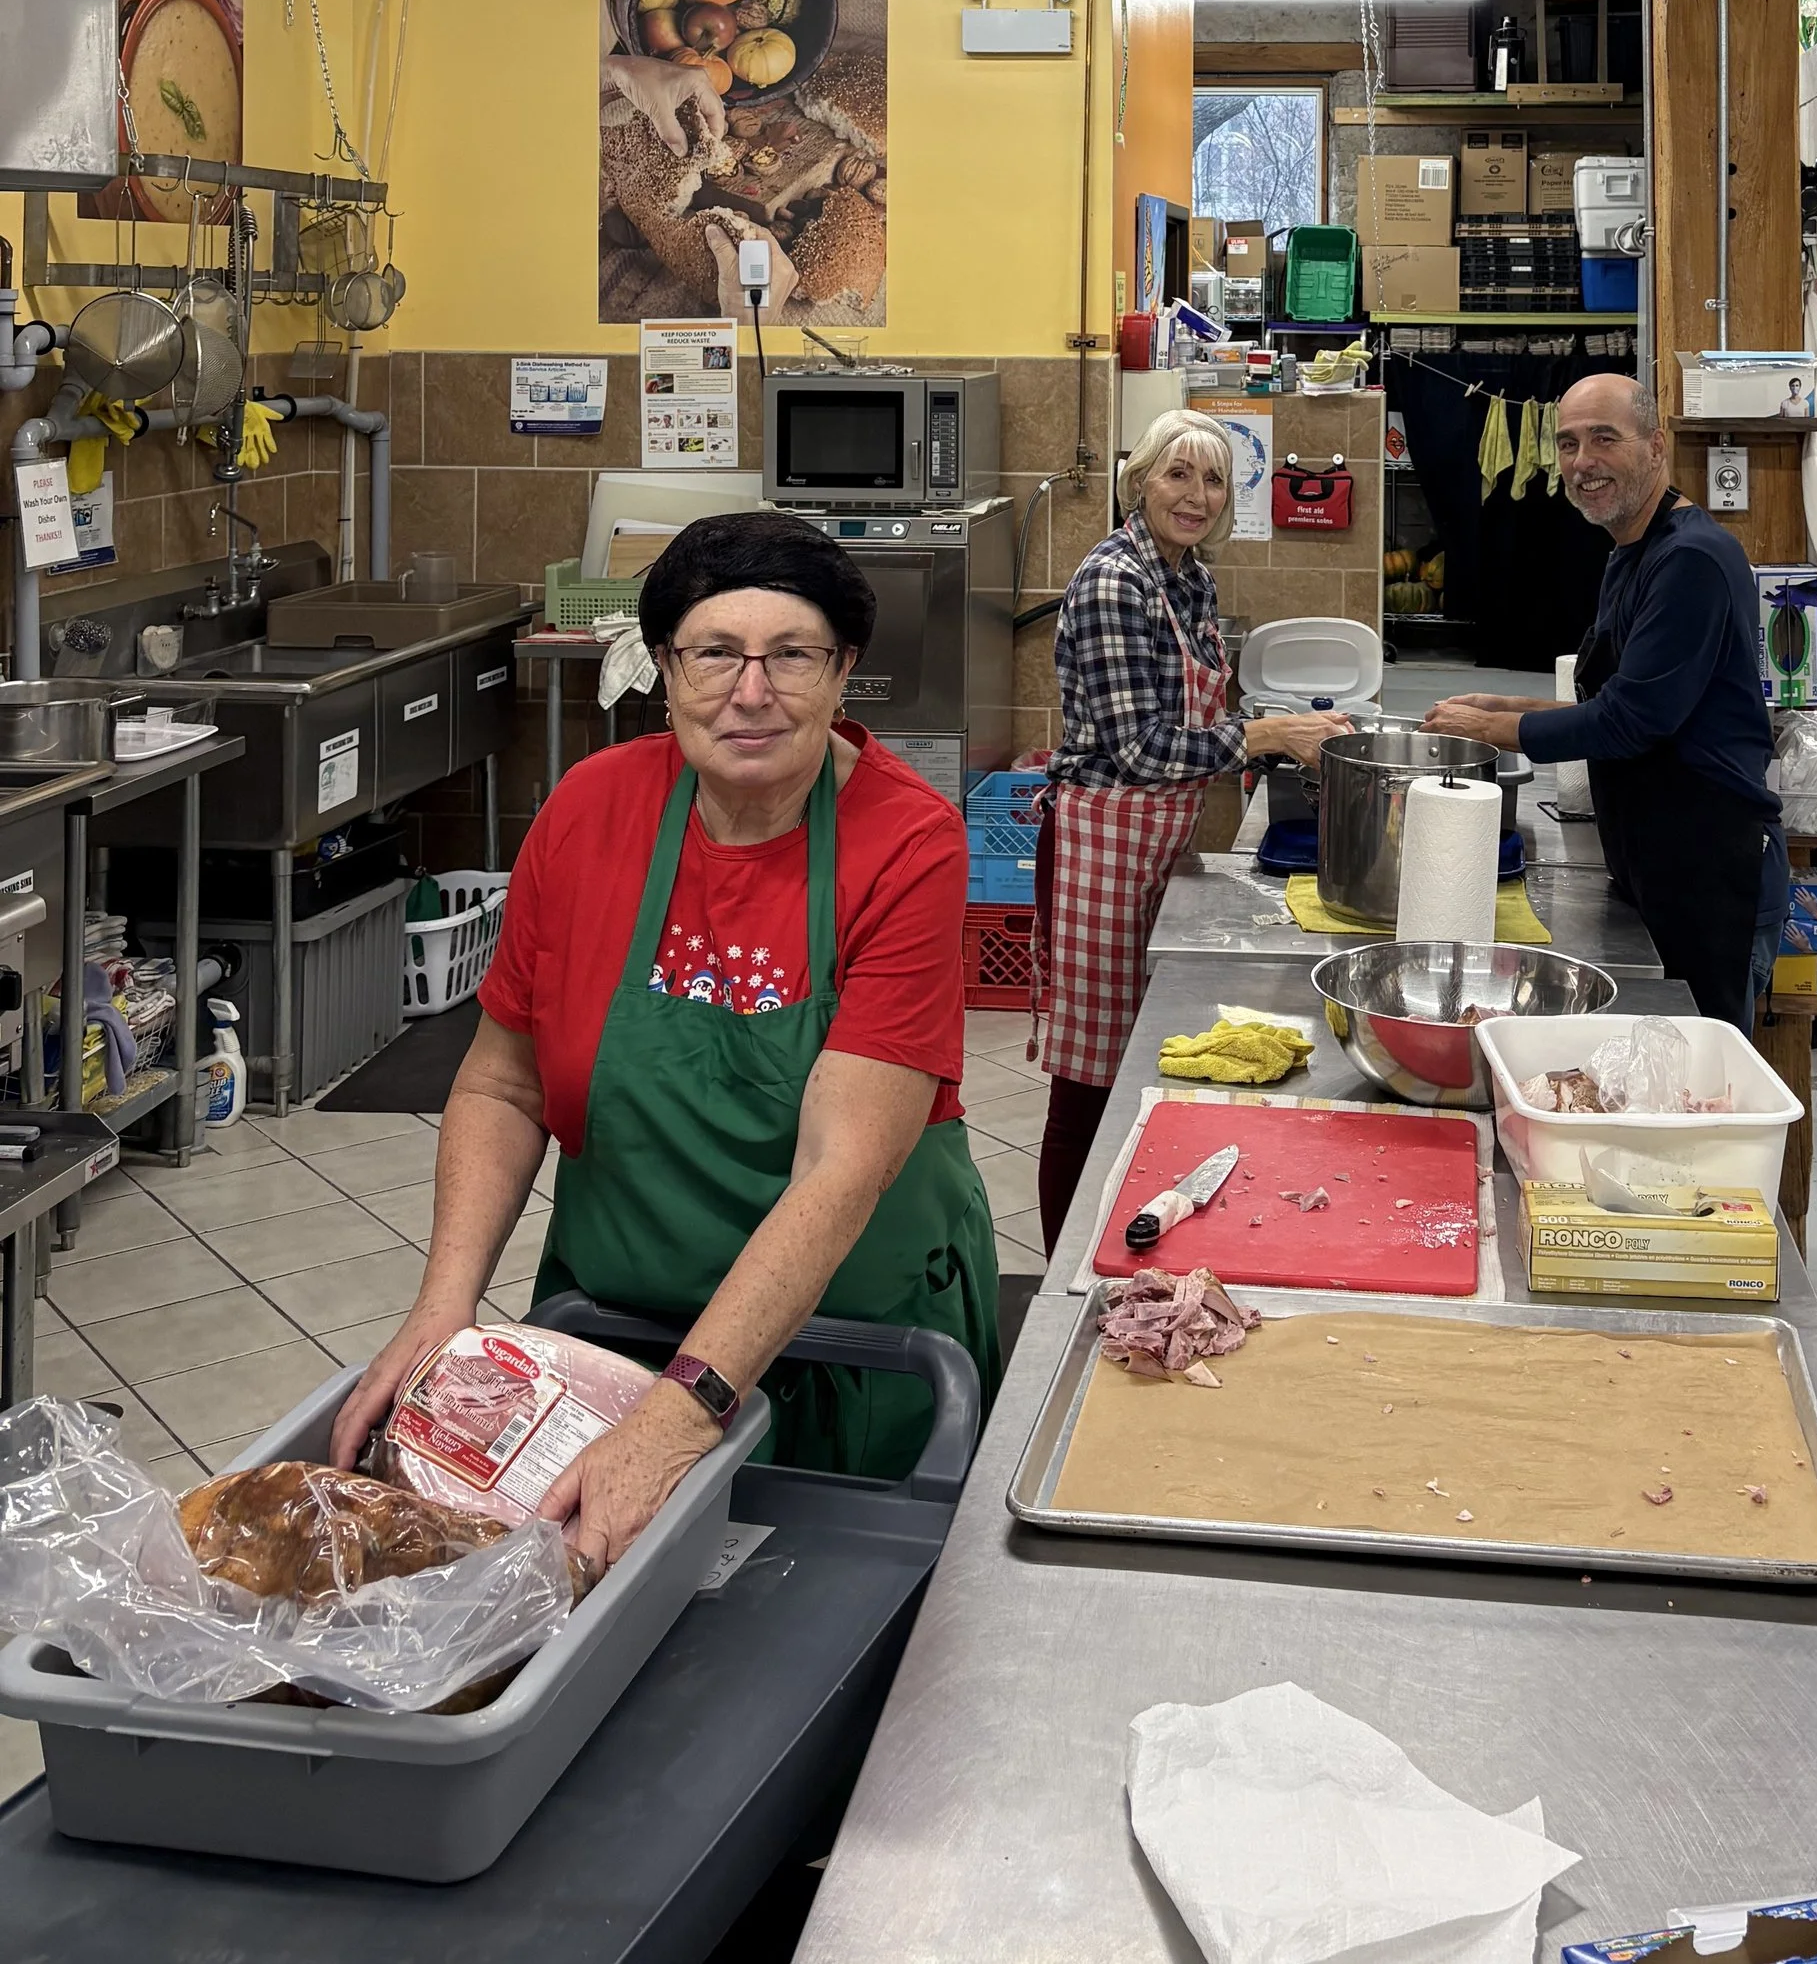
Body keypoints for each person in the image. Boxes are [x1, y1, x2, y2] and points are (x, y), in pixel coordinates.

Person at [330, 511, 997, 1570]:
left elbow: (843, 1167)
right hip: (616, 1327)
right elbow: (501, 1089)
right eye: (714, 653)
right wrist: (443, 1311)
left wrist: (687, 1407)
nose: (751, 690)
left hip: (850, 1341)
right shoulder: (592, 809)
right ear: (667, 668)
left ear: (843, 672)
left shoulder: (906, 841)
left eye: (792, 655)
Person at [1035, 410, 1352, 1244]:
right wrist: (1266, 736)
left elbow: (1203, 708)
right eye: (1178, 474)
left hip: (1160, 840)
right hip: (1101, 841)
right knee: (1088, 1075)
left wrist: (1287, 726)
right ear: (1139, 479)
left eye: (1212, 479)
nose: (1196, 495)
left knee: (1142, 1051)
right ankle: (1069, 1255)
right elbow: (1139, 748)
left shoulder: (1190, 576)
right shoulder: (1115, 581)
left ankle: (1125, 1220)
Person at [1429, 371, 1787, 1031]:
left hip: (1711, 879)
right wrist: (1505, 702)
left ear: (1655, 446)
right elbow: (1619, 695)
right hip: (1657, 867)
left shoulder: (1693, 561)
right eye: (1567, 444)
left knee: (1698, 1098)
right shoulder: (1630, 550)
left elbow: (1631, 721)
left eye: (1603, 439)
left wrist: (1492, 726)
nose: (1582, 462)